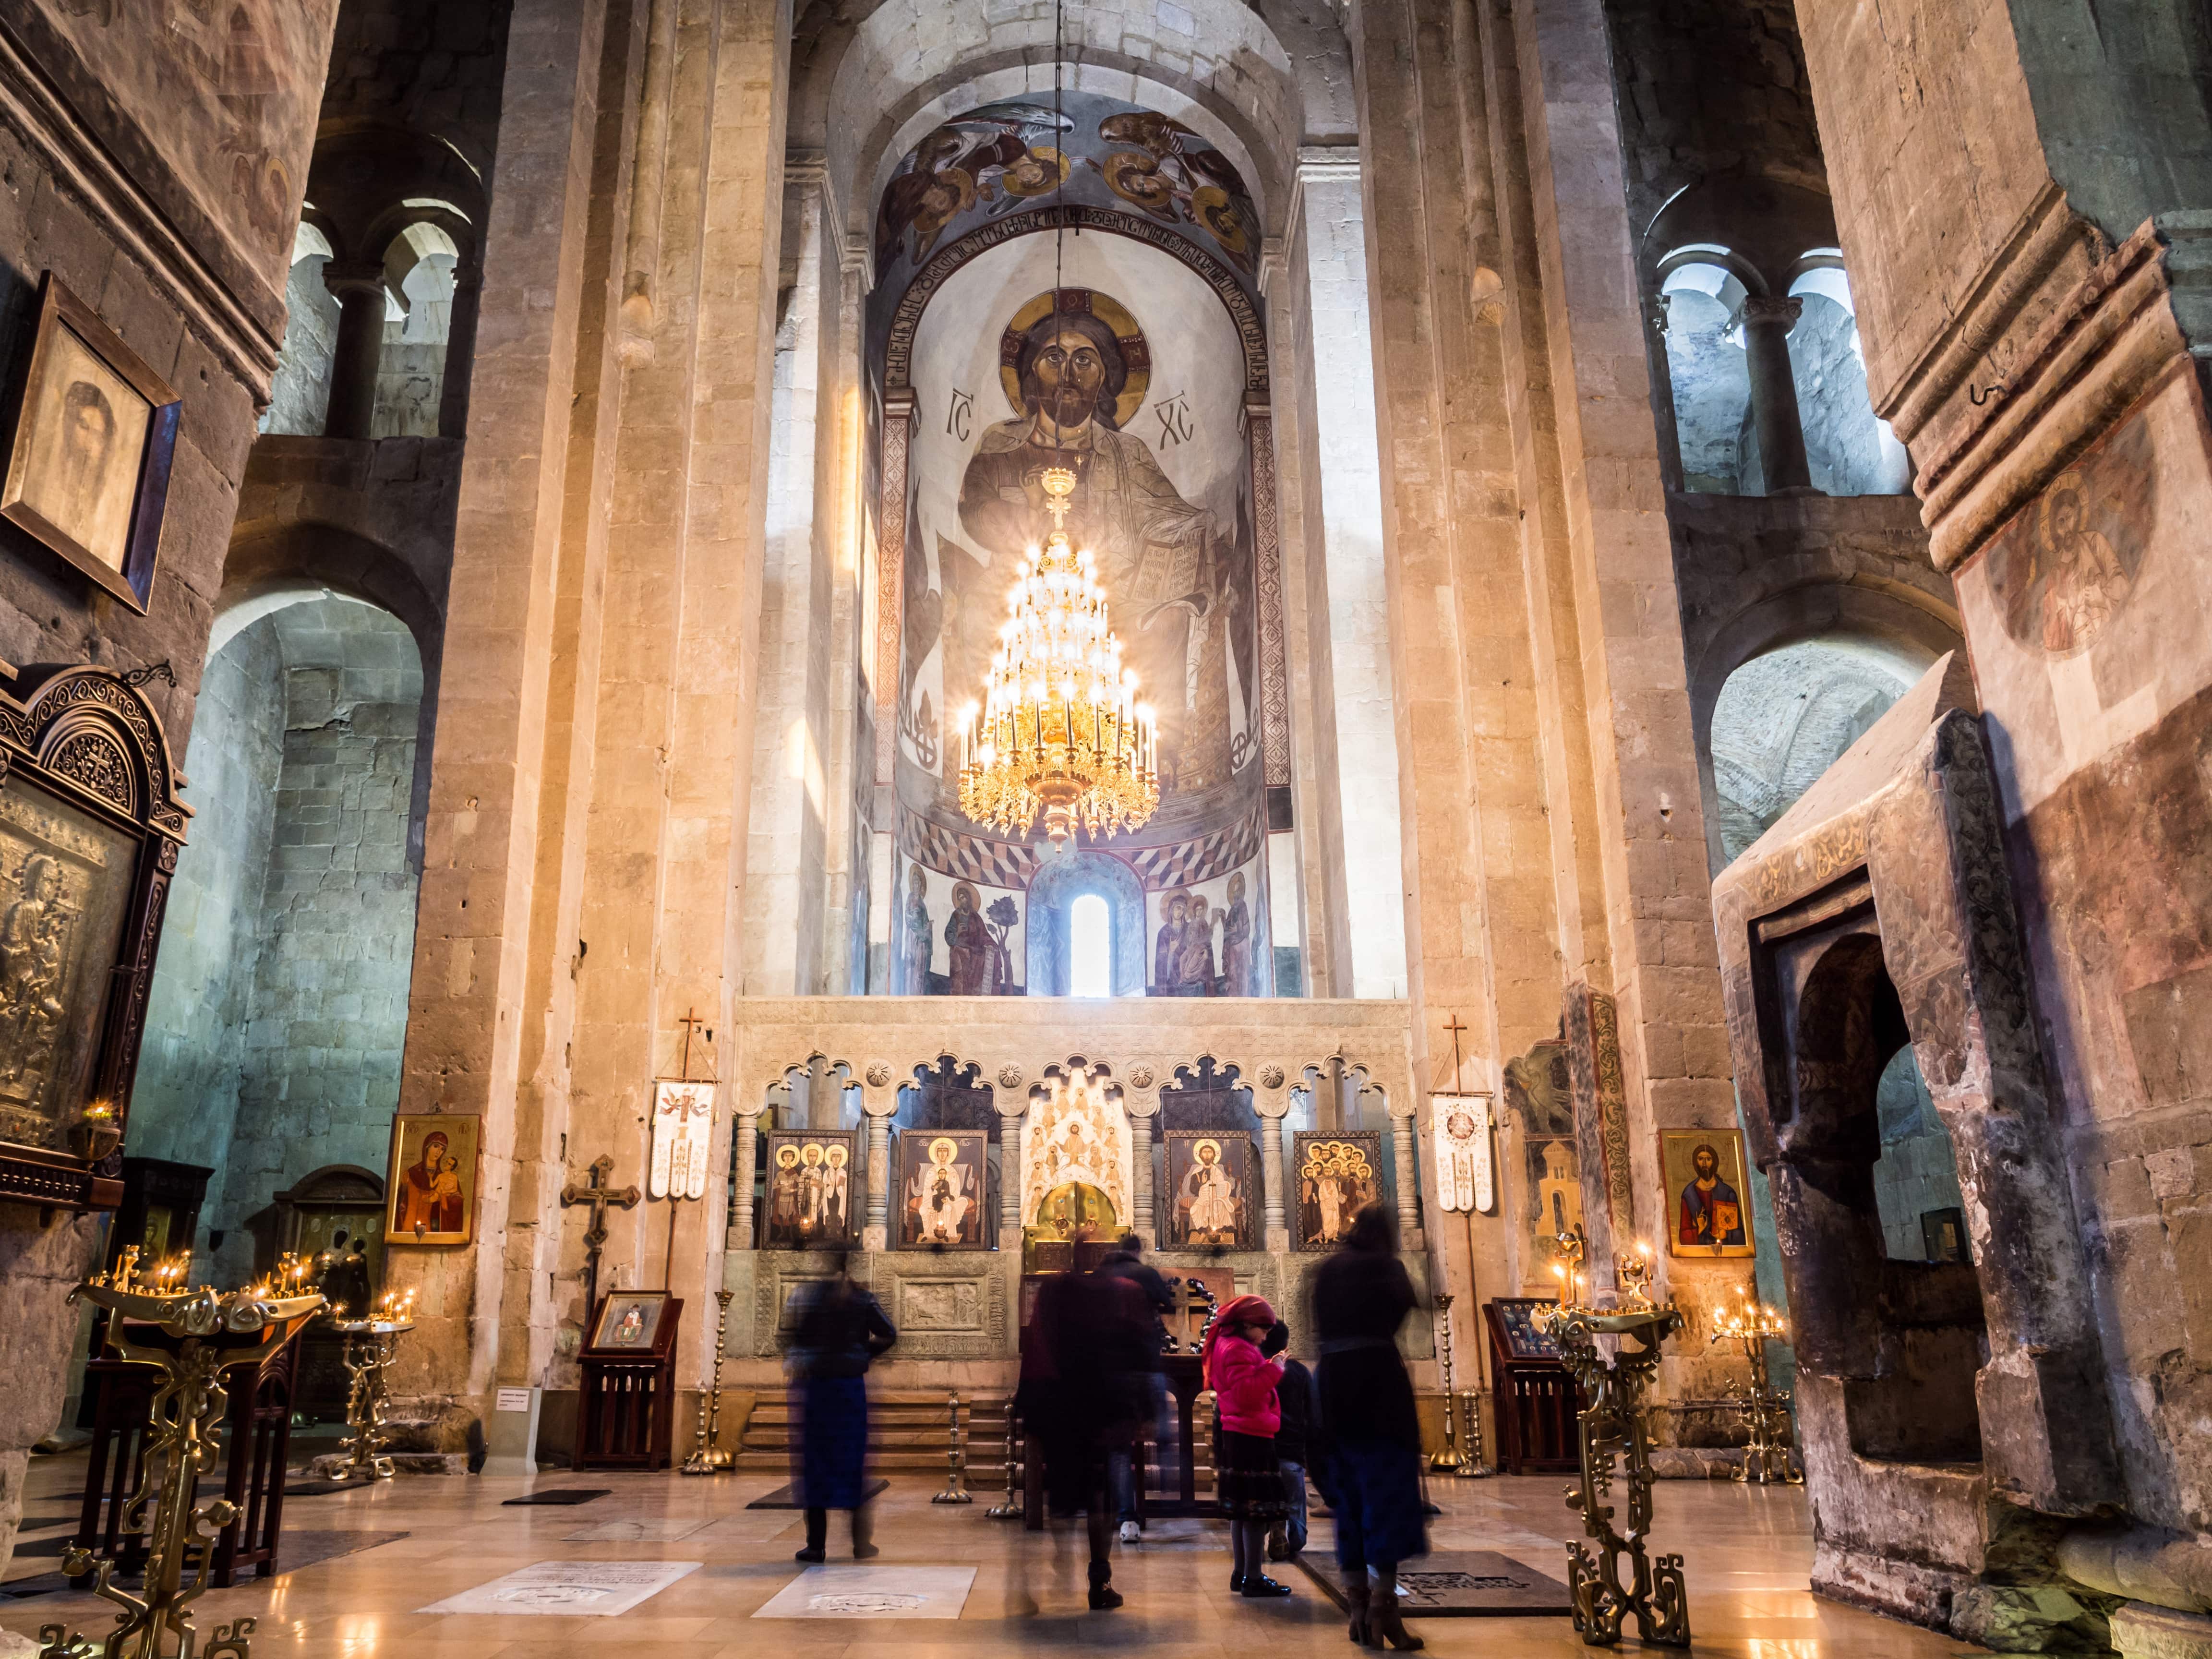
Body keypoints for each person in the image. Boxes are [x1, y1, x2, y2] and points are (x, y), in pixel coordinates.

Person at [1313, 1204, 1426, 1650]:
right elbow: (1404, 1310)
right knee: (1387, 1495)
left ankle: (1358, 1609)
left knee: (1348, 1500)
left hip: (1333, 1385)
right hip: (1378, 1383)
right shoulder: (1386, 1267)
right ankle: (1384, 1609)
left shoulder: (1328, 1270)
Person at [1018, 1262, 1153, 1610]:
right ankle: (1099, 1579)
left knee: (1064, 1498)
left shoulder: (1055, 1299)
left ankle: (1062, 1558)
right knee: (1099, 1499)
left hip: (1061, 1413)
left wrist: (1031, 1410)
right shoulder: (1114, 1304)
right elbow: (1135, 1356)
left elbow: (1037, 1353)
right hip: (1099, 1416)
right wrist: (1137, 1410)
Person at [786, 1254, 898, 1563]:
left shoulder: (812, 1297)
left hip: (818, 1387)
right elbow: (889, 1333)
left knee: (816, 1463)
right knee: (852, 1461)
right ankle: (861, 1544)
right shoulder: (862, 1299)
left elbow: (796, 1339)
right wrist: (862, 1354)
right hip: (848, 1388)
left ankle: (816, 1545)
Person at [1204, 1292, 1292, 1597]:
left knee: (1242, 1512)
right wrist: (1275, 1369)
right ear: (1246, 1324)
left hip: (1241, 1432)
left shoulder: (1229, 1345)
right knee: (1255, 1512)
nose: (1266, 1337)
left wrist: (1266, 1365)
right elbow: (1246, 1393)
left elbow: (1243, 1384)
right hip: (1250, 1436)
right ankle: (1253, 1578)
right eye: (1263, 1330)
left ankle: (1241, 1573)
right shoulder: (1237, 1349)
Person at [1097, 1235, 1174, 1542]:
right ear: (1136, 1251)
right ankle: (1171, 1496)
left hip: (1113, 1374)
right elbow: (1167, 1302)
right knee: (1164, 1430)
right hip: (1147, 1367)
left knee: (1120, 1450)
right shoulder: (1144, 1274)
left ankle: (1127, 1518)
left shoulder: (1102, 1278)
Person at [1262, 1319, 1317, 1563]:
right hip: (1292, 1454)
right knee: (1295, 1506)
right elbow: (1313, 1414)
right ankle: (1290, 1531)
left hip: (1261, 1453)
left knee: (1258, 1506)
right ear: (1286, 1343)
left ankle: (1270, 1525)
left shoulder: (1255, 1369)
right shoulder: (1300, 1371)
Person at [1676, 1142, 1745, 1251]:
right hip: (1700, 1252)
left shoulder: (1728, 1193)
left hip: (1726, 1252)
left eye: (1708, 1159)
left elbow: (1740, 1233)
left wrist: (1726, 1234)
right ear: (1695, 1163)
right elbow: (1683, 1235)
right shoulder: (1689, 1194)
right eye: (1700, 1159)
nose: (1704, 1164)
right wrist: (1699, 1229)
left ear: (1715, 1162)